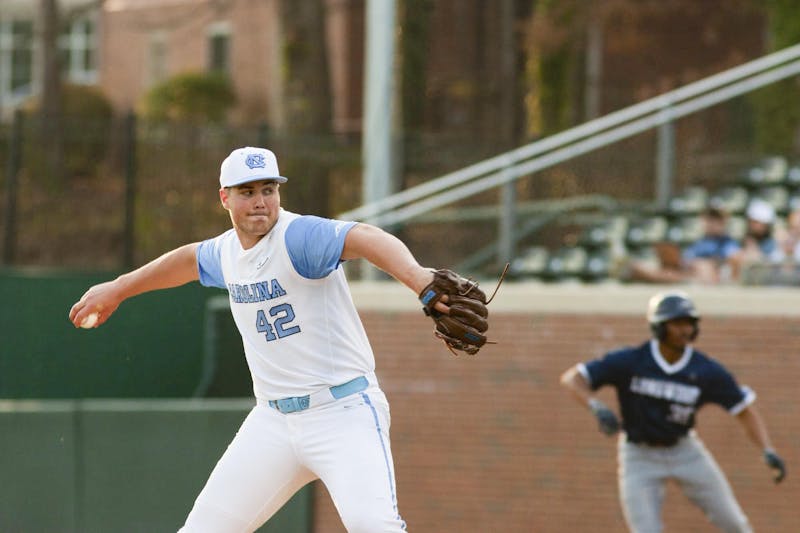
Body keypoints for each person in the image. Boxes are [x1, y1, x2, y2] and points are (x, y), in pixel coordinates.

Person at [69, 146, 452, 532]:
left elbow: (366, 236)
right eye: (247, 191)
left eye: (268, 190)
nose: (260, 202)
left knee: (373, 526)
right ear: (225, 198)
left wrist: (418, 279)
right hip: (274, 423)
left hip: (342, 412)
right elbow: (186, 261)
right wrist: (119, 288)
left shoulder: (298, 237)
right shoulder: (227, 252)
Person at [559, 291, 786, 533]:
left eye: (689, 323)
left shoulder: (705, 369)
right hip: (639, 454)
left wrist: (767, 449)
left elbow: (743, 409)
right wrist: (595, 406)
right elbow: (573, 378)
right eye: (676, 323)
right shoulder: (632, 361)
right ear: (658, 326)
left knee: (735, 524)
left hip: (685, 451)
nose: (684, 330)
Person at [628, 205, 740, 284]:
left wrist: (705, 264)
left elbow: (732, 264)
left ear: (723, 223)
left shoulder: (727, 243)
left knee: (702, 267)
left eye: (716, 220)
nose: (711, 223)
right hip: (685, 272)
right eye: (709, 219)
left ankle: (652, 276)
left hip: (705, 277)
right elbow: (685, 259)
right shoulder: (699, 243)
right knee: (642, 265)